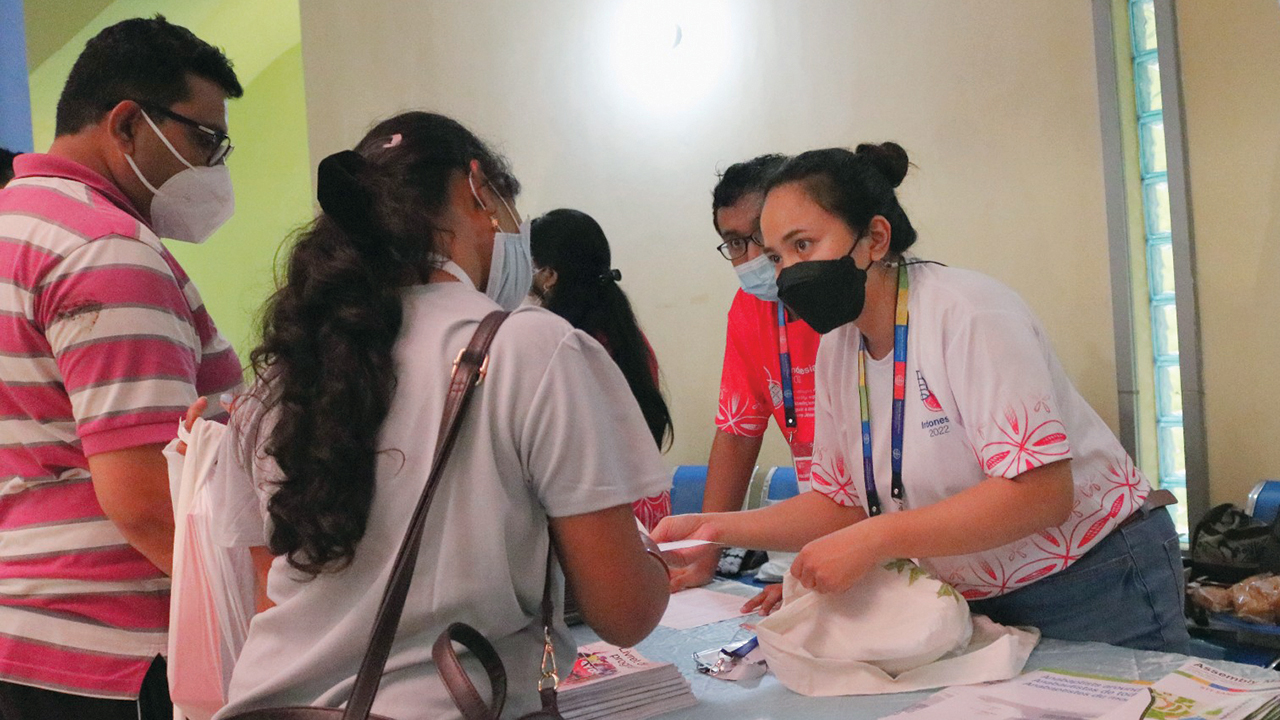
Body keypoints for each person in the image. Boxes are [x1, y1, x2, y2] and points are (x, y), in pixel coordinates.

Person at [209, 112, 671, 720]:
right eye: (508, 211)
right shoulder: (531, 348)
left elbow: (272, 595)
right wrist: (652, 559)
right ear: (478, 188)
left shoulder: (284, 375)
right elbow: (624, 612)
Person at [655, 143, 1189, 652]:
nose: (788, 272)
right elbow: (840, 504)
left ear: (875, 239)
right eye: (776, 256)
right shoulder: (838, 347)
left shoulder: (969, 312)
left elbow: (1041, 493)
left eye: (803, 245)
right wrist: (714, 528)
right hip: (976, 591)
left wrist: (875, 539)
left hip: (1095, 579)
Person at [0, 17, 244, 719]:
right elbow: (146, 500)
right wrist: (265, 618)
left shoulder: (18, 222)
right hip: (110, 657)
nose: (215, 167)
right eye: (206, 138)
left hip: (27, 640)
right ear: (129, 124)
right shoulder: (104, 251)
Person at [667, 155, 823, 612]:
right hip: (829, 521)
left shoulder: (839, 298)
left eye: (760, 236)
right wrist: (704, 553)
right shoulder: (749, 310)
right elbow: (737, 433)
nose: (753, 257)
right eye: (735, 243)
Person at [529, 208, 674, 530]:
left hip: (603, 512)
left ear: (549, 275)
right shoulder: (627, 336)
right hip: (646, 501)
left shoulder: (564, 345)